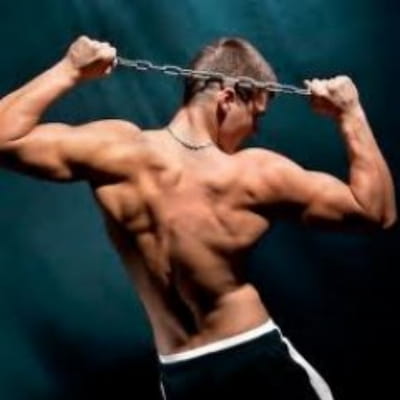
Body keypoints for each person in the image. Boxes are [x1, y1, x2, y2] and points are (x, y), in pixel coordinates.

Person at [0, 36, 396, 400]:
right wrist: (350, 114)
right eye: (256, 115)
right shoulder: (254, 173)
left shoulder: (117, 150)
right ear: (228, 98)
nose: (255, 130)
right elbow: (376, 211)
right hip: (256, 361)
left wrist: (69, 69)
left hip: (182, 375)